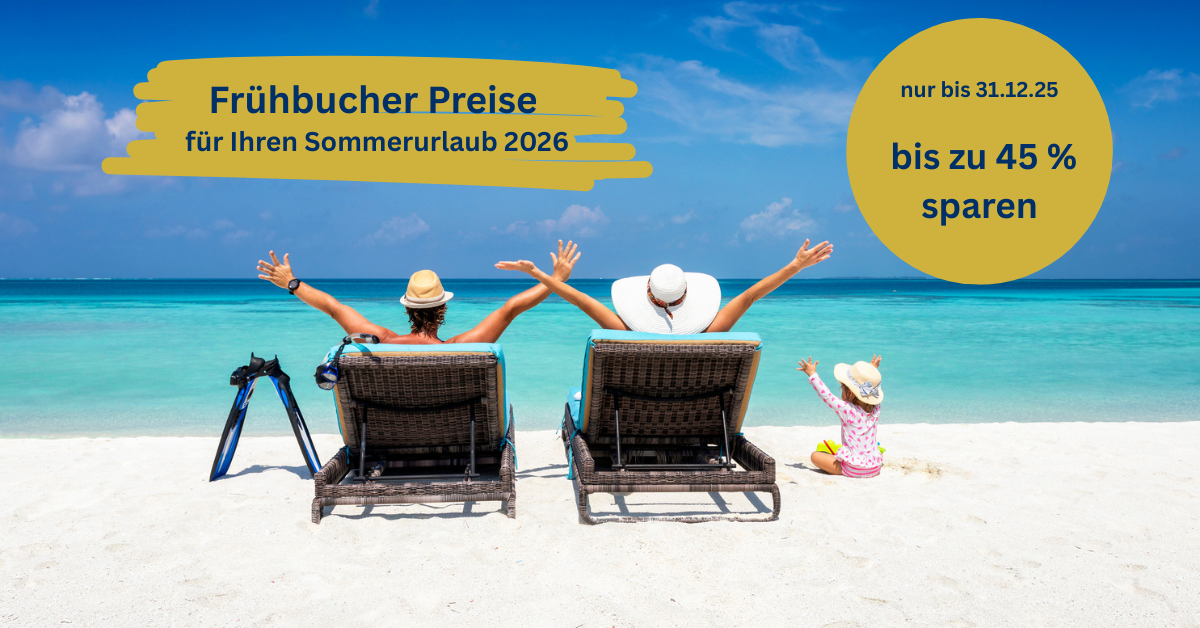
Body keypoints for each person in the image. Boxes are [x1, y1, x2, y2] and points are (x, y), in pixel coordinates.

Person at [256, 240, 580, 344]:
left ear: (408, 309)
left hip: (389, 439)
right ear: (443, 308)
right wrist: (555, 279)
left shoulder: (383, 343)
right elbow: (510, 309)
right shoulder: (458, 349)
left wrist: (292, 283)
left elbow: (333, 307)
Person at [495, 239, 833, 334]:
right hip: (696, 421)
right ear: (688, 295)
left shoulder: (625, 332)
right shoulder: (711, 333)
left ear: (647, 294)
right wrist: (795, 266)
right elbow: (751, 296)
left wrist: (542, 274)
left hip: (630, 422)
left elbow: (581, 301)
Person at [798, 355, 884, 478]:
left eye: (842, 389)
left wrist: (812, 374)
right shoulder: (876, 409)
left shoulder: (847, 410)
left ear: (850, 393)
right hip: (874, 468)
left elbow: (826, 396)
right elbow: (873, 386)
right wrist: (871, 371)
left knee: (815, 456)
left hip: (853, 469)